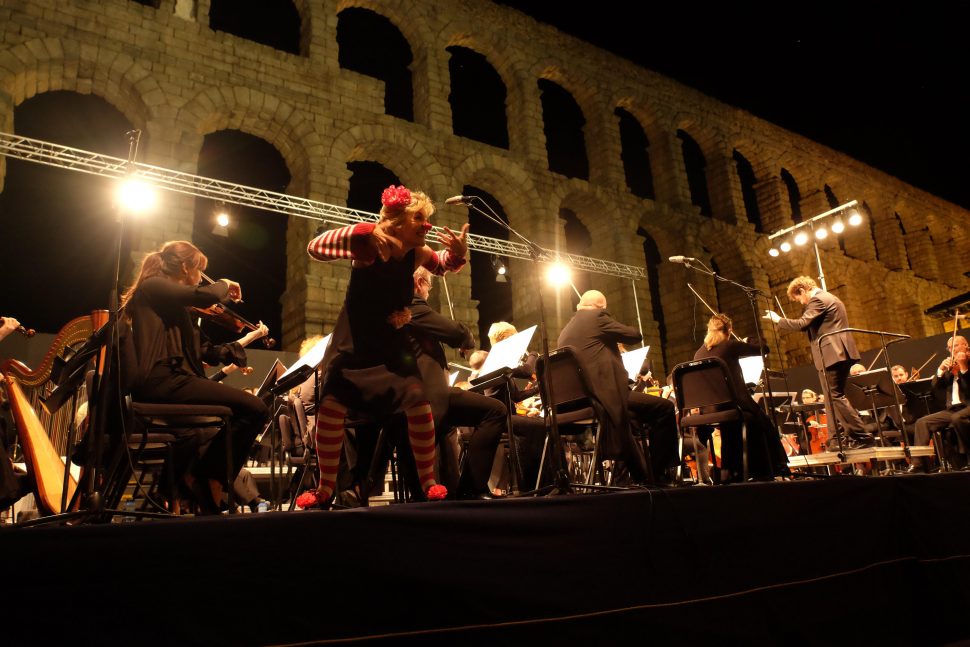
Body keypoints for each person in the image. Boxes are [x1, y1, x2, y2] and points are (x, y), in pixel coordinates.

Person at [302, 184, 468, 505]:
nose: (427, 225)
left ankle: (428, 482)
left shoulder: (416, 254)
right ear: (396, 220)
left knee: (418, 401)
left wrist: (458, 253)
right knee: (333, 406)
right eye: (418, 218)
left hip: (390, 347)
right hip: (353, 343)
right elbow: (315, 247)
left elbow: (443, 265)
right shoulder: (368, 246)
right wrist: (363, 231)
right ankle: (324, 488)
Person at [120, 241, 270, 513]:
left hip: (177, 379)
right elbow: (202, 295)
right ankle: (208, 478)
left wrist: (231, 351)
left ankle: (203, 478)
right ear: (186, 267)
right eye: (200, 270)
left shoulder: (178, 309)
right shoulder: (152, 286)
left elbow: (205, 353)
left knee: (254, 410)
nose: (201, 277)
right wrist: (224, 283)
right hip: (161, 380)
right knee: (254, 409)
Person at [401, 267, 507, 499]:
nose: (428, 291)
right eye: (429, 286)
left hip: (414, 398)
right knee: (495, 411)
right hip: (428, 397)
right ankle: (471, 488)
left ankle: (453, 489)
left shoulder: (395, 309)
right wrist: (467, 340)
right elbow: (456, 332)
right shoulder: (412, 305)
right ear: (419, 282)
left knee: (449, 428)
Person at [557, 289, 677, 485]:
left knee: (630, 418)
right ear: (600, 307)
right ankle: (657, 474)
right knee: (665, 408)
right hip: (605, 395)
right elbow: (634, 335)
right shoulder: (597, 316)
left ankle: (643, 476)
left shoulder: (565, 331)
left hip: (581, 400)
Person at [763, 276, 873, 450]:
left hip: (833, 353)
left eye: (798, 298)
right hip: (839, 352)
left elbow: (802, 323)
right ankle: (836, 439)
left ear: (802, 290)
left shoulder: (818, 300)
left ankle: (862, 436)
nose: (801, 302)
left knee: (834, 396)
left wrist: (778, 320)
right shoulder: (830, 298)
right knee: (830, 397)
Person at [692, 313, 789, 481]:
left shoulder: (698, 354)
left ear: (708, 330)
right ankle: (768, 470)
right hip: (732, 406)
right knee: (761, 420)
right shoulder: (730, 346)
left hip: (708, 410)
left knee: (742, 423)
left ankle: (733, 473)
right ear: (729, 330)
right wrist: (747, 340)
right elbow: (763, 348)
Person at [910, 335, 970, 472]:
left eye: (955, 345)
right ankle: (919, 464)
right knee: (922, 422)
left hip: (967, 406)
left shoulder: (967, 362)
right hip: (952, 410)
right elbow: (935, 388)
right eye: (949, 347)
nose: (952, 350)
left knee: (958, 418)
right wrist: (940, 370)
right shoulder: (950, 366)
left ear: (965, 345)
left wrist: (963, 367)